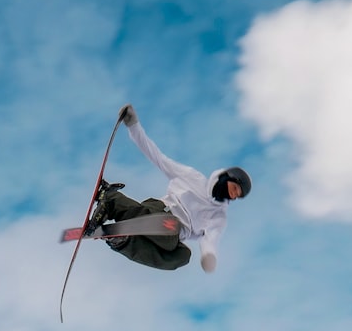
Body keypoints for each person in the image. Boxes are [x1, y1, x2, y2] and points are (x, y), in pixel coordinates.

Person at [85, 104, 252, 273]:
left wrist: (209, 256)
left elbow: (210, 239)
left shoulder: (219, 216)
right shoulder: (192, 177)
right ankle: (112, 202)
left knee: (183, 256)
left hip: (169, 238)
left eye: (237, 195)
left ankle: (123, 242)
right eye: (235, 188)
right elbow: (158, 158)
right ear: (227, 178)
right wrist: (133, 125)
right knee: (171, 226)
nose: (234, 195)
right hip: (163, 211)